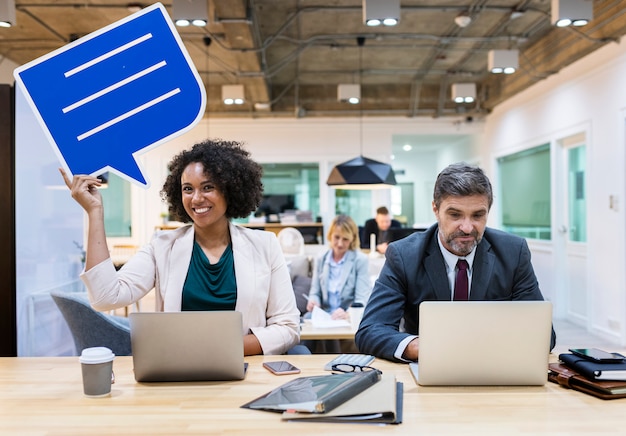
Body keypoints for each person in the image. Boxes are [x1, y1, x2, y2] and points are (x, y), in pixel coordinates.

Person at [60, 139, 301, 356]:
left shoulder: (264, 246)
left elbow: (288, 327)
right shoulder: (162, 246)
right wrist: (94, 212)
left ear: (230, 190)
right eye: (188, 189)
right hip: (180, 371)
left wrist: (223, 349)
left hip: (244, 369)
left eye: (208, 187)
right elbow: (105, 297)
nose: (196, 198)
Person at [355, 162, 556, 362]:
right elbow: (370, 330)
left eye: (478, 215)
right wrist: (419, 347)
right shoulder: (403, 255)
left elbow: (544, 335)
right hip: (431, 366)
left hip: (494, 365)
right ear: (436, 209)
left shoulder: (513, 252)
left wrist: (484, 347)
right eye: (455, 215)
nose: (467, 227)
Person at [304, 215, 371, 353]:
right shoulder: (321, 258)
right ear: (330, 235)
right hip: (325, 313)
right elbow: (315, 291)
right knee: (305, 321)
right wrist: (313, 301)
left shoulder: (360, 260)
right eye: (337, 237)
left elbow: (361, 299)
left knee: (333, 331)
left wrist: (347, 313)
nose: (340, 243)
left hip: (346, 316)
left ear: (352, 239)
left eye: (345, 239)